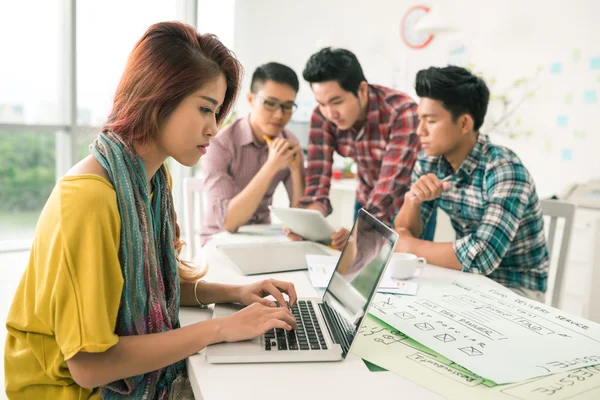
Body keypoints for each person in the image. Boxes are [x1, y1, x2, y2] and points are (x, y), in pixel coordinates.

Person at [4, 22, 298, 400]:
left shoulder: (154, 179)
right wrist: (221, 329)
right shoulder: (90, 200)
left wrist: (236, 293)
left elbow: (160, 293)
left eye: (218, 112)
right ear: (158, 98)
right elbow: (90, 366)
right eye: (205, 109)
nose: (214, 129)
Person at [392, 66, 549, 301]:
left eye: (431, 121)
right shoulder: (430, 160)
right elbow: (406, 231)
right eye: (419, 119)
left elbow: (481, 255)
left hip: (516, 288)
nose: (419, 131)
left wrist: (408, 245)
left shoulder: (504, 169)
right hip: (466, 279)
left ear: (464, 124)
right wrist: (411, 200)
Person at [287, 47, 424, 249]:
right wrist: (306, 223)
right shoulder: (322, 116)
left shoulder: (401, 112)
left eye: (337, 101)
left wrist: (357, 232)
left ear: (362, 89)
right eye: (322, 103)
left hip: (409, 207)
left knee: (411, 273)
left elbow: (390, 185)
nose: (330, 113)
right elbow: (317, 182)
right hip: (366, 201)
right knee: (358, 269)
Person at [200, 62, 304, 243]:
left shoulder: (289, 143)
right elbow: (228, 222)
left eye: (287, 106)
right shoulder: (221, 144)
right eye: (270, 103)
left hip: (262, 237)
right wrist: (272, 166)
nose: (279, 115)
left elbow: (300, 221)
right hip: (218, 238)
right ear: (250, 99)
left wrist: (296, 169)